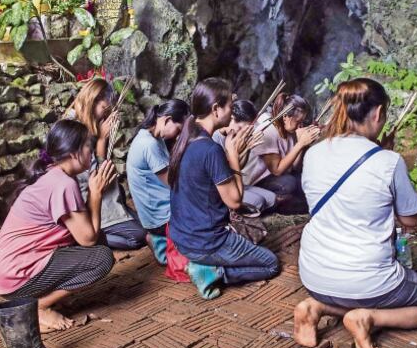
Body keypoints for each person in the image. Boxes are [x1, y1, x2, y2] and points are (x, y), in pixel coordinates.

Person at [294, 78, 417, 348]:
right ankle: (368, 318)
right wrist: (389, 156)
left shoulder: (313, 153)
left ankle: (317, 306)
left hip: (313, 274)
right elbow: (411, 221)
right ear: (377, 114)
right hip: (368, 280)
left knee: (344, 289)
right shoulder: (388, 162)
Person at [0, 120, 116, 332]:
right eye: (87, 145)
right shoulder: (63, 184)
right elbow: (88, 239)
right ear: (74, 152)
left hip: (9, 273)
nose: (91, 151)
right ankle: (37, 308)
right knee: (102, 259)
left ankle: (46, 296)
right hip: (17, 276)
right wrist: (96, 193)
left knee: (100, 239)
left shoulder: (55, 173)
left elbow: (88, 231)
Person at [168, 78, 280, 286]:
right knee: (270, 263)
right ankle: (213, 272)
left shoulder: (185, 138)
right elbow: (235, 202)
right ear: (216, 109)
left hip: (181, 236)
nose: (232, 111)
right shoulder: (211, 149)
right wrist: (232, 153)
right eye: (230, 105)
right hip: (205, 242)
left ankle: (211, 263)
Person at [66, 78, 147, 250]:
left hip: (102, 196)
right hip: (87, 202)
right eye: (104, 109)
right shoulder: (75, 132)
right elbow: (96, 178)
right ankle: (86, 237)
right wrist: (102, 140)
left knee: (146, 226)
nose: (105, 115)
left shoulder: (86, 125)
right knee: (138, 237)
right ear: (92, 101)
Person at [126, 99, 191, 260]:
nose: (178, 136)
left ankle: (161, 242)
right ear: (167, 120)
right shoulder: (149, 144)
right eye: (178, 130)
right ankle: (164, 242)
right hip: (161, 218)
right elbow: (174, 184)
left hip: (154, 217)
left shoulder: (150, 136)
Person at [255, 93, 321, 213]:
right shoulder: (268, 131)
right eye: (298, 121)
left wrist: (302, 144)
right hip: (257, 182)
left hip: (279, 177)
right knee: (290, 183)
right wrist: (300, 143)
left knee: (304, 180)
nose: (300, 125)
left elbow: (294, 167)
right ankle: (274, 205)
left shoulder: (289, 131)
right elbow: (277, 170)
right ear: (285, 117)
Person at [212, 100, 277, 214]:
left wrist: (247, 147)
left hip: (235, 181)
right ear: (231, 118)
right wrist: (234, 151)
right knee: (259, 201)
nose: (244, 133)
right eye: (242, 128)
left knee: (272, 198)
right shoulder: (215, 138)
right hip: (221, 188)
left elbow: (239, 167)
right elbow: (225, 173)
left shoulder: (238, 136)